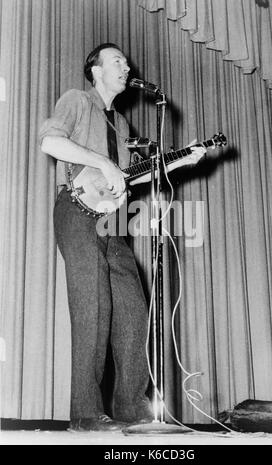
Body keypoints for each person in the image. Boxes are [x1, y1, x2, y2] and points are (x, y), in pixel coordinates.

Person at [40, 43, 206, 432]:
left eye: (125, 61)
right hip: (76, 212)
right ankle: (84, 414)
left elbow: (132, 177)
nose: (126, 65)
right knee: (92, 307)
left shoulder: (122, 125)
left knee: (134, 310)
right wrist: (101, 162)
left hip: (112, 221)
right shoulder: (76, 100)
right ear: (95, 70)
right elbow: (50, 142)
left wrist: (178, 160)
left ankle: (133, 409)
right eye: (116, 60)